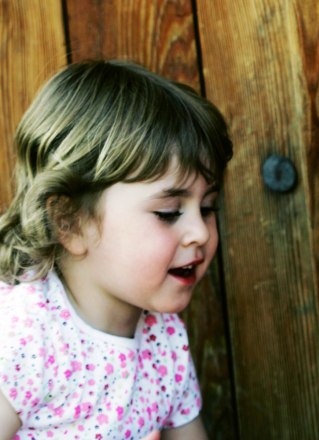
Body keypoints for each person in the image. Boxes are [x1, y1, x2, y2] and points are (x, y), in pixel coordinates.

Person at [0, 60, 233, 439]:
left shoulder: (165, 339)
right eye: (168, 212)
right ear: (71, 223)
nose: (200, 233)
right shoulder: (25, 337)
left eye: (207, 208)